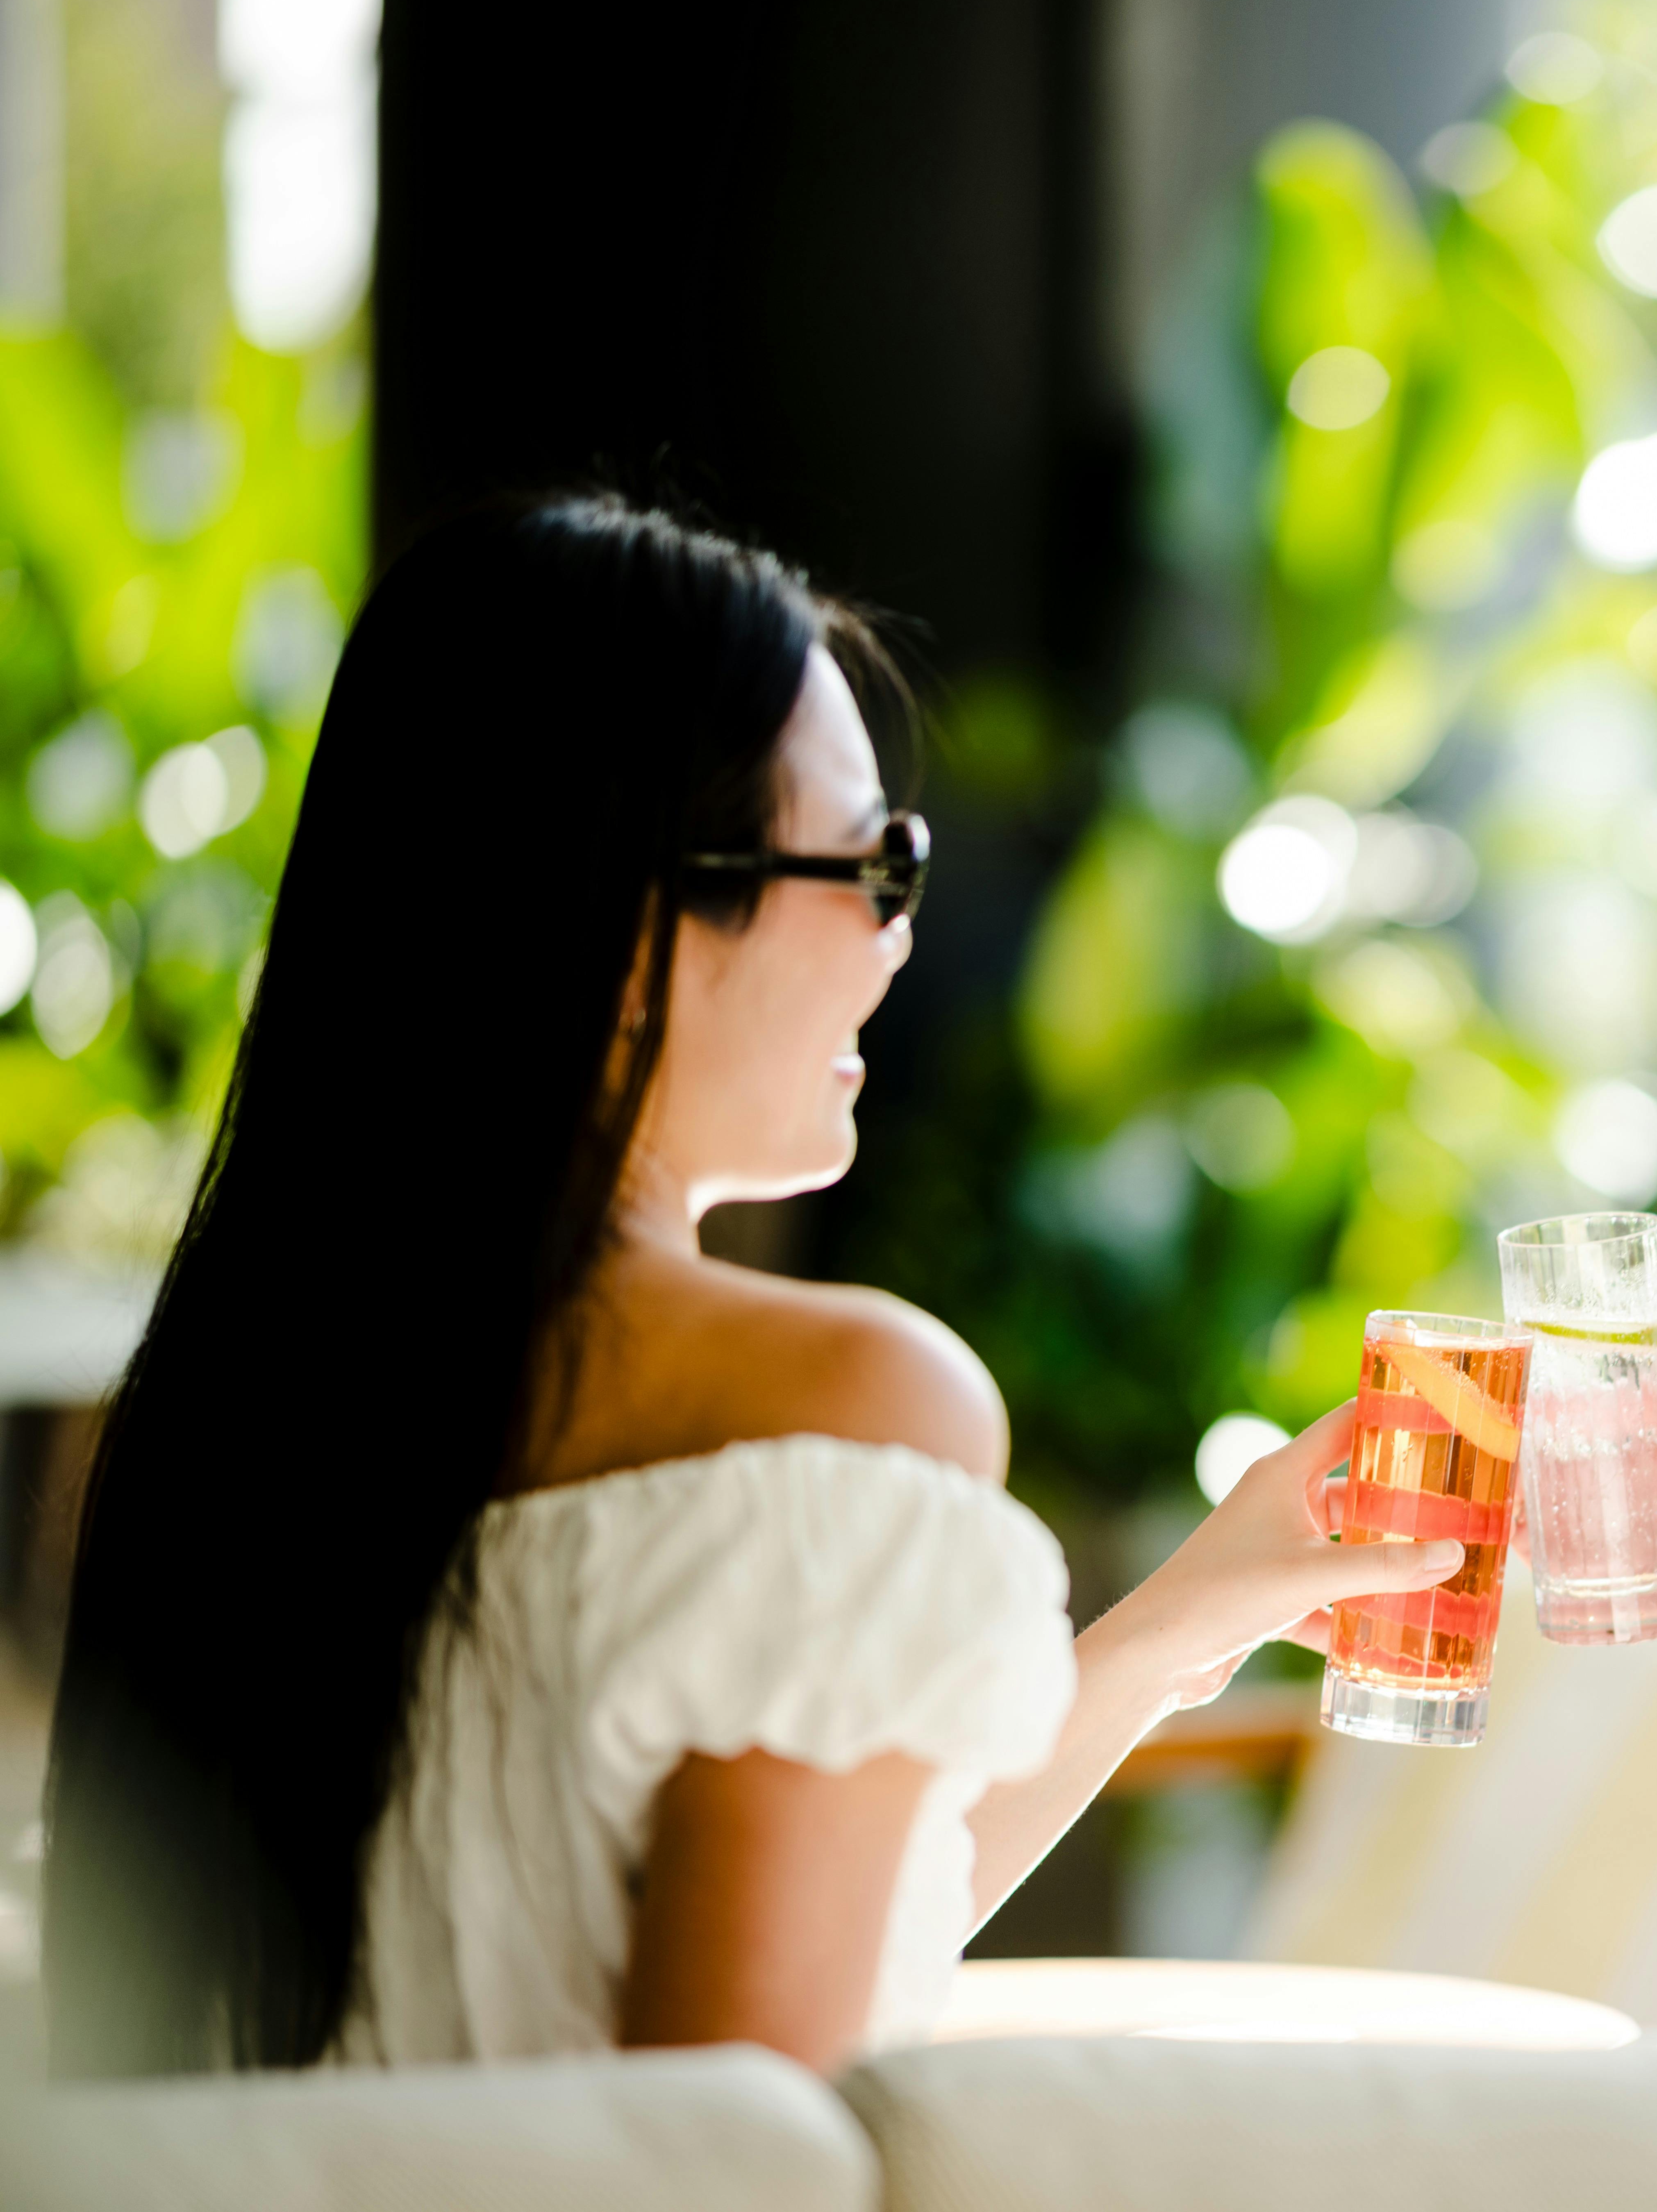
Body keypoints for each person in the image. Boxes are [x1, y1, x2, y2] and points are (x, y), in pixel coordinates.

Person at [42, 495, 1457, 2077]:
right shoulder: (845, 1406)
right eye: (872, 862)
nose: (894, 943)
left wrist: (1179, 1622)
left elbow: (704, 1940)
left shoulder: (189, 1426)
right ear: (638, 915)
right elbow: (725, 2148)